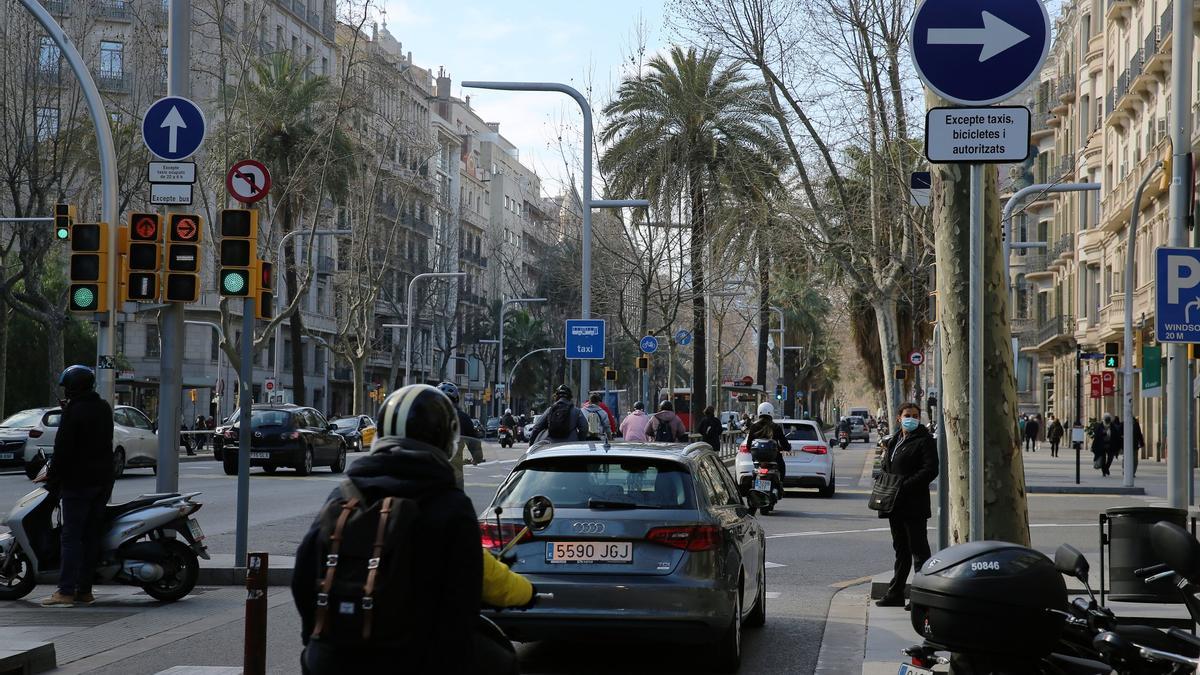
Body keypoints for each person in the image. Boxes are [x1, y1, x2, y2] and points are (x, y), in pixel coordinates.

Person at [292, 384, 525, 673]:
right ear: (444, 437)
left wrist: (316, 641)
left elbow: (303, 576)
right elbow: (462, 604)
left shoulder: (345, 494)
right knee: (503, 662)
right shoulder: (451, 506)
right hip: (416, 658)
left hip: (332, 658)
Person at [39, 365, 115, 608]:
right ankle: (85, 590)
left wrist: (52, 479)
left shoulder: (74, 411)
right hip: (102, 481)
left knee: (70, 537)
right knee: (91, 536)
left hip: (78, 483)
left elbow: (63, 450)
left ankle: (65, 591)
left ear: (72, 387)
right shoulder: (103, 408)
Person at [875, 402, 938, 608]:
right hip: (895, 504)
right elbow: (887, 467)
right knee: (901, 549)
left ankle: (921, 596)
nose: (911, 418)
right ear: (898, 418)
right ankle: (896, 593)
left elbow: (930, 470)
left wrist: (904, 486)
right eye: (907, 415)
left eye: (915, 415)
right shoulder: (895, 440)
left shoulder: (924, 440)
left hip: (914, 504)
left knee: (918, 550)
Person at [437, 382, 482, 488]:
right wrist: (477, 458)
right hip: (454, 475)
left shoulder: (428, 415)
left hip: (430, 472)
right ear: (456, 399)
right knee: (458, 502)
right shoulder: (464, 418)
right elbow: (475, 444)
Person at [746, 402, 790, 487]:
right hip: (774, 459)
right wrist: (787, 448)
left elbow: (748, 444)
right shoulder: (776, 427)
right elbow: (784, 442)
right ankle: (780, 484)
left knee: (755, 470)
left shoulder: (754, 427)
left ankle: (754, 483)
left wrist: (751, 450)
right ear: (771, 413)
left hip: (758, 460)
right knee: (782, 467)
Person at [1091, 413, 1121, 477]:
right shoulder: (1100, 426)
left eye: (1108, 419)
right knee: (1103, 459)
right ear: (1104, 419)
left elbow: (1116, 436)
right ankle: (1104, 471)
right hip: (1102, 446)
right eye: (1106, 419)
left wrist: (1118, 446)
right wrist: (1103, 434)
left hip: (1111, 445)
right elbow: (1097, 437)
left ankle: (1106, 468)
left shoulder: (1113, 426)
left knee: (1110, 458)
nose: (1107, 420)